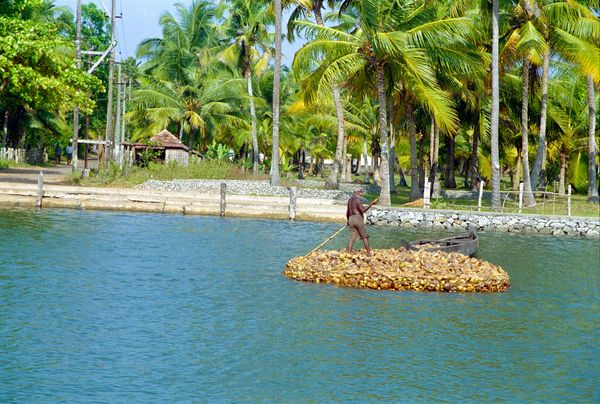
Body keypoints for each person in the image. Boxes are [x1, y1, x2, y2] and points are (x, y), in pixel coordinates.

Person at [346, 189, 379, 256]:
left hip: (351, 219)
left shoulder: (350, 200)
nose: (361, 194)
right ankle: (369, 254)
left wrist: (348, 221)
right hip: (357, 219)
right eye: (361, 193)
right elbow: (363, 210)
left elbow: (347, 212)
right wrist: (372, 203)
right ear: (358, 193)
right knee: (365, 237)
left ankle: (348, 253)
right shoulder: (357, 200)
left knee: (352, 238)